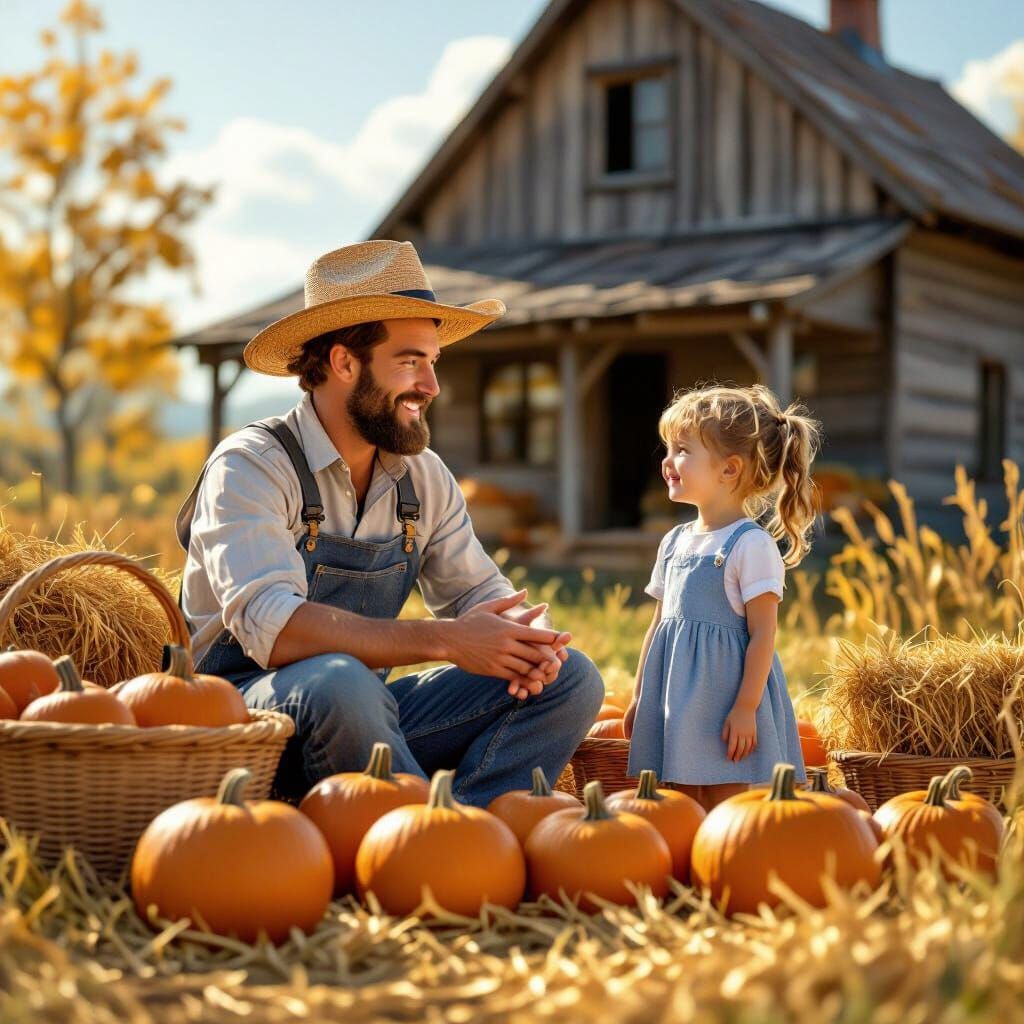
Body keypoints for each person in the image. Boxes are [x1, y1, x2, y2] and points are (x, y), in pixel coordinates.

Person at [175, 239, 604, 806]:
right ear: (344, 362)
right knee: (341, 681)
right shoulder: (251, 465)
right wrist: (448, 640)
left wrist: (530, 645)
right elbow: (274, 629)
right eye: (410, 362)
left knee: (573, 676)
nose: (431, 386)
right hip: (244, 722)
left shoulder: (422, 478)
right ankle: (427, 836)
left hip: (360, 719)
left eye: (433, 362)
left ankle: (479, 829)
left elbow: (481, 595)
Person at [624, 383, 821, 812]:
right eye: (667, 449)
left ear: (729, 470)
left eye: (682, 450)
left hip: (726, 704)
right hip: (677, 701)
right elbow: (657, 625)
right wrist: (641, 695)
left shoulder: (750, 545)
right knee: (677, 800)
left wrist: (747, 707)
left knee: (728, 802)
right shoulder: (674, 541)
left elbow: (763, 634)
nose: (667, 462)